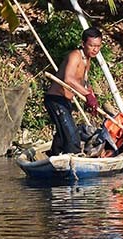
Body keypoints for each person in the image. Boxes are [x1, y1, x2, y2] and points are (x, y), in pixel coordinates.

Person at [44, 27, 103, 155]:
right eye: (92, 46)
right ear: (83, 44)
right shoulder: (75, 56)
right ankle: (72, 160)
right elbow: (68, 79)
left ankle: (54, 155)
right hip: (56, 100)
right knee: (72, 139)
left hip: (66, 101)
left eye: (98, 46)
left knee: (62, 134)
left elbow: (83, 82)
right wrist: (87, 94)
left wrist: (91, 97)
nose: (95, 49)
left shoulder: (87, 60)